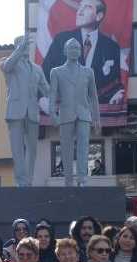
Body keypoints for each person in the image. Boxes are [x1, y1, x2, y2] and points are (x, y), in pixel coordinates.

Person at [41, 0, 124, 106]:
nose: (79, 11)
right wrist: (42, 98)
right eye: (80, 7)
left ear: (99, 16)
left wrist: (116, 95)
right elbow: (44, 74)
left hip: (96, 113)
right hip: (64, 110)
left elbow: (114, 84)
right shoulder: (61, 40)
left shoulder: (112, 47)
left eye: (87, 7)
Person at [48, 37, 101, 187]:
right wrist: (53, 114)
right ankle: (68, 181)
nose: (74, 51)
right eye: (71, 48)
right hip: (65, 115)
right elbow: (52, 95)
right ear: (65, 51)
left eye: (77, 48)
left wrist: (97, 118)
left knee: (84, 148)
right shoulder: (56, 72)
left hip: (84, 114)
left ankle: (82, 180)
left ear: (80, 52)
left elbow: (93, 96)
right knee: (66, 149)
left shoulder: (88, 72)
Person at [1, 34, 49, 187]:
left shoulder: (37, 69)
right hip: (15, 112)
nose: (25, 48)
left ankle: (28, 181)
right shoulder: (8, 63)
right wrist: (19, 49)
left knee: (32, 149)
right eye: (22, 45)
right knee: (17, 150)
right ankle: (21, 182)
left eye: (26, 45)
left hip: (32, 113)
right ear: (16, 47)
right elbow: (8, 66)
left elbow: (47, 90)